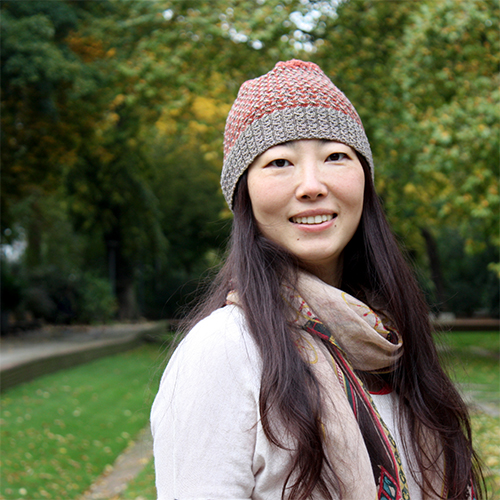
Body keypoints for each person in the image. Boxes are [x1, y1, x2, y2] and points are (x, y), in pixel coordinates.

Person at [151, 60, 484, 500]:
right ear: (244, 193)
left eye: (335, 156)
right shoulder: (224, 351)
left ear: (364, 180)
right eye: (280, 162)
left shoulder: (389, 340)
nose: (311, 184)